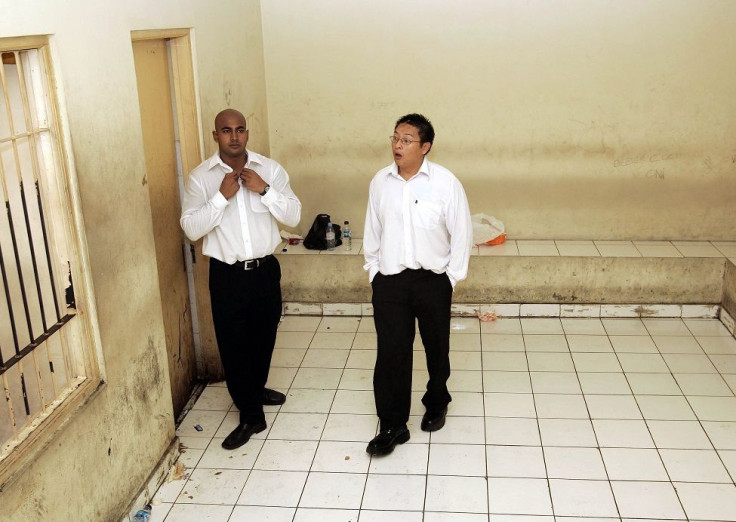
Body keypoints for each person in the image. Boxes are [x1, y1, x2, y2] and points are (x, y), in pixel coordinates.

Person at [180, 109, 301, 450]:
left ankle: (254, 388)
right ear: (215, 135)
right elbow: (191, 228)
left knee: (263, 339)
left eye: (240, 130)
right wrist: (221, 197)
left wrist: (265, 191)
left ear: (247, 133)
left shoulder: (270, 170)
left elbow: (293, 216)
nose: (234, 136)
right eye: (226, 130)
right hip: (227, 276)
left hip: (264, 272)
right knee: (233, 346)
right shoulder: (200, 178)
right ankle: (251, 414)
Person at [363, 113, 472, 456]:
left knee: (436, 347)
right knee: (391, 353)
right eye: (395, 137)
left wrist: (450, 277)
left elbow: (462, 233)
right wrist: (374, 272)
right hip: (391, 281)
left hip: (432, 279)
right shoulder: (380, 181)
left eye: (406, 140)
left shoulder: (445, 182)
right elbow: (373, 231)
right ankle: (393, 425)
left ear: (425, 147)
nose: (397, 145)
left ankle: (437, 399)